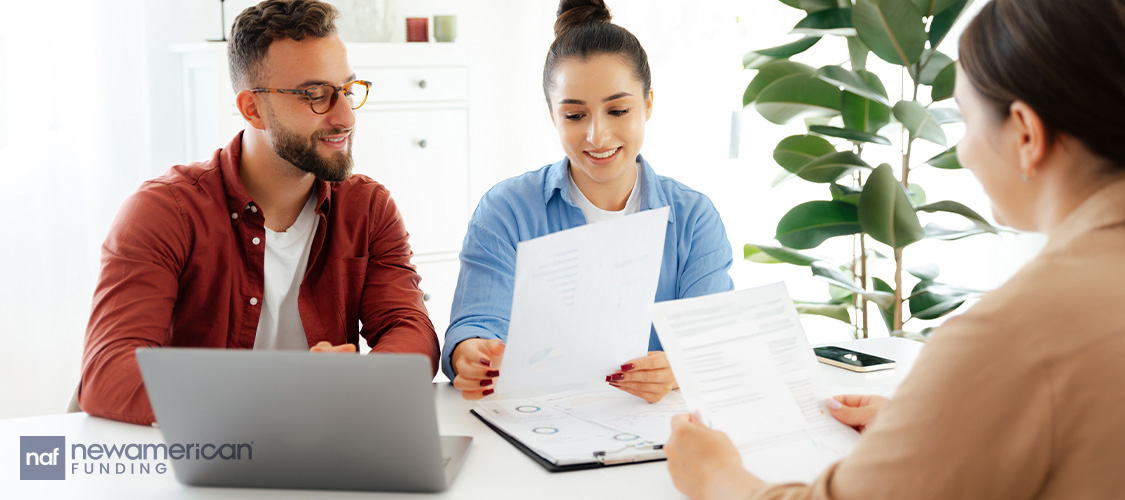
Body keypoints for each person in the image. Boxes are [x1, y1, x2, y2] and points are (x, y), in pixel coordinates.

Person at [664, 0, 1125, 498]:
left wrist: (717, 477)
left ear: (1025, 134)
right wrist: (929, 434)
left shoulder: (1011, 333)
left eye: (965, 120)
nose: (963, 151)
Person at [79, 0, 439, 426]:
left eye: (347, 90)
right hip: (208, 452)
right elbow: (109, 373)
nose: (345, 117)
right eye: (315, 95)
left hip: (325, 445)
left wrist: (361, 381)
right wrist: (282, 393)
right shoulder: (163, 212)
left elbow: (410, 330)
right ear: (252, 109)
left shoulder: (368, 209)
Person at [442, 0, 735, 402]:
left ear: (648, 104)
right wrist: (470, 353)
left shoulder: (694, 218)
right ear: (552, 115)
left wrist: (680, 367)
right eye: (575, 116)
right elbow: (477, 323)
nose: (598, 136)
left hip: (659, 424)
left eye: (618, 110)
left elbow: (712, 344)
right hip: (540, 420)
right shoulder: (506, 210)